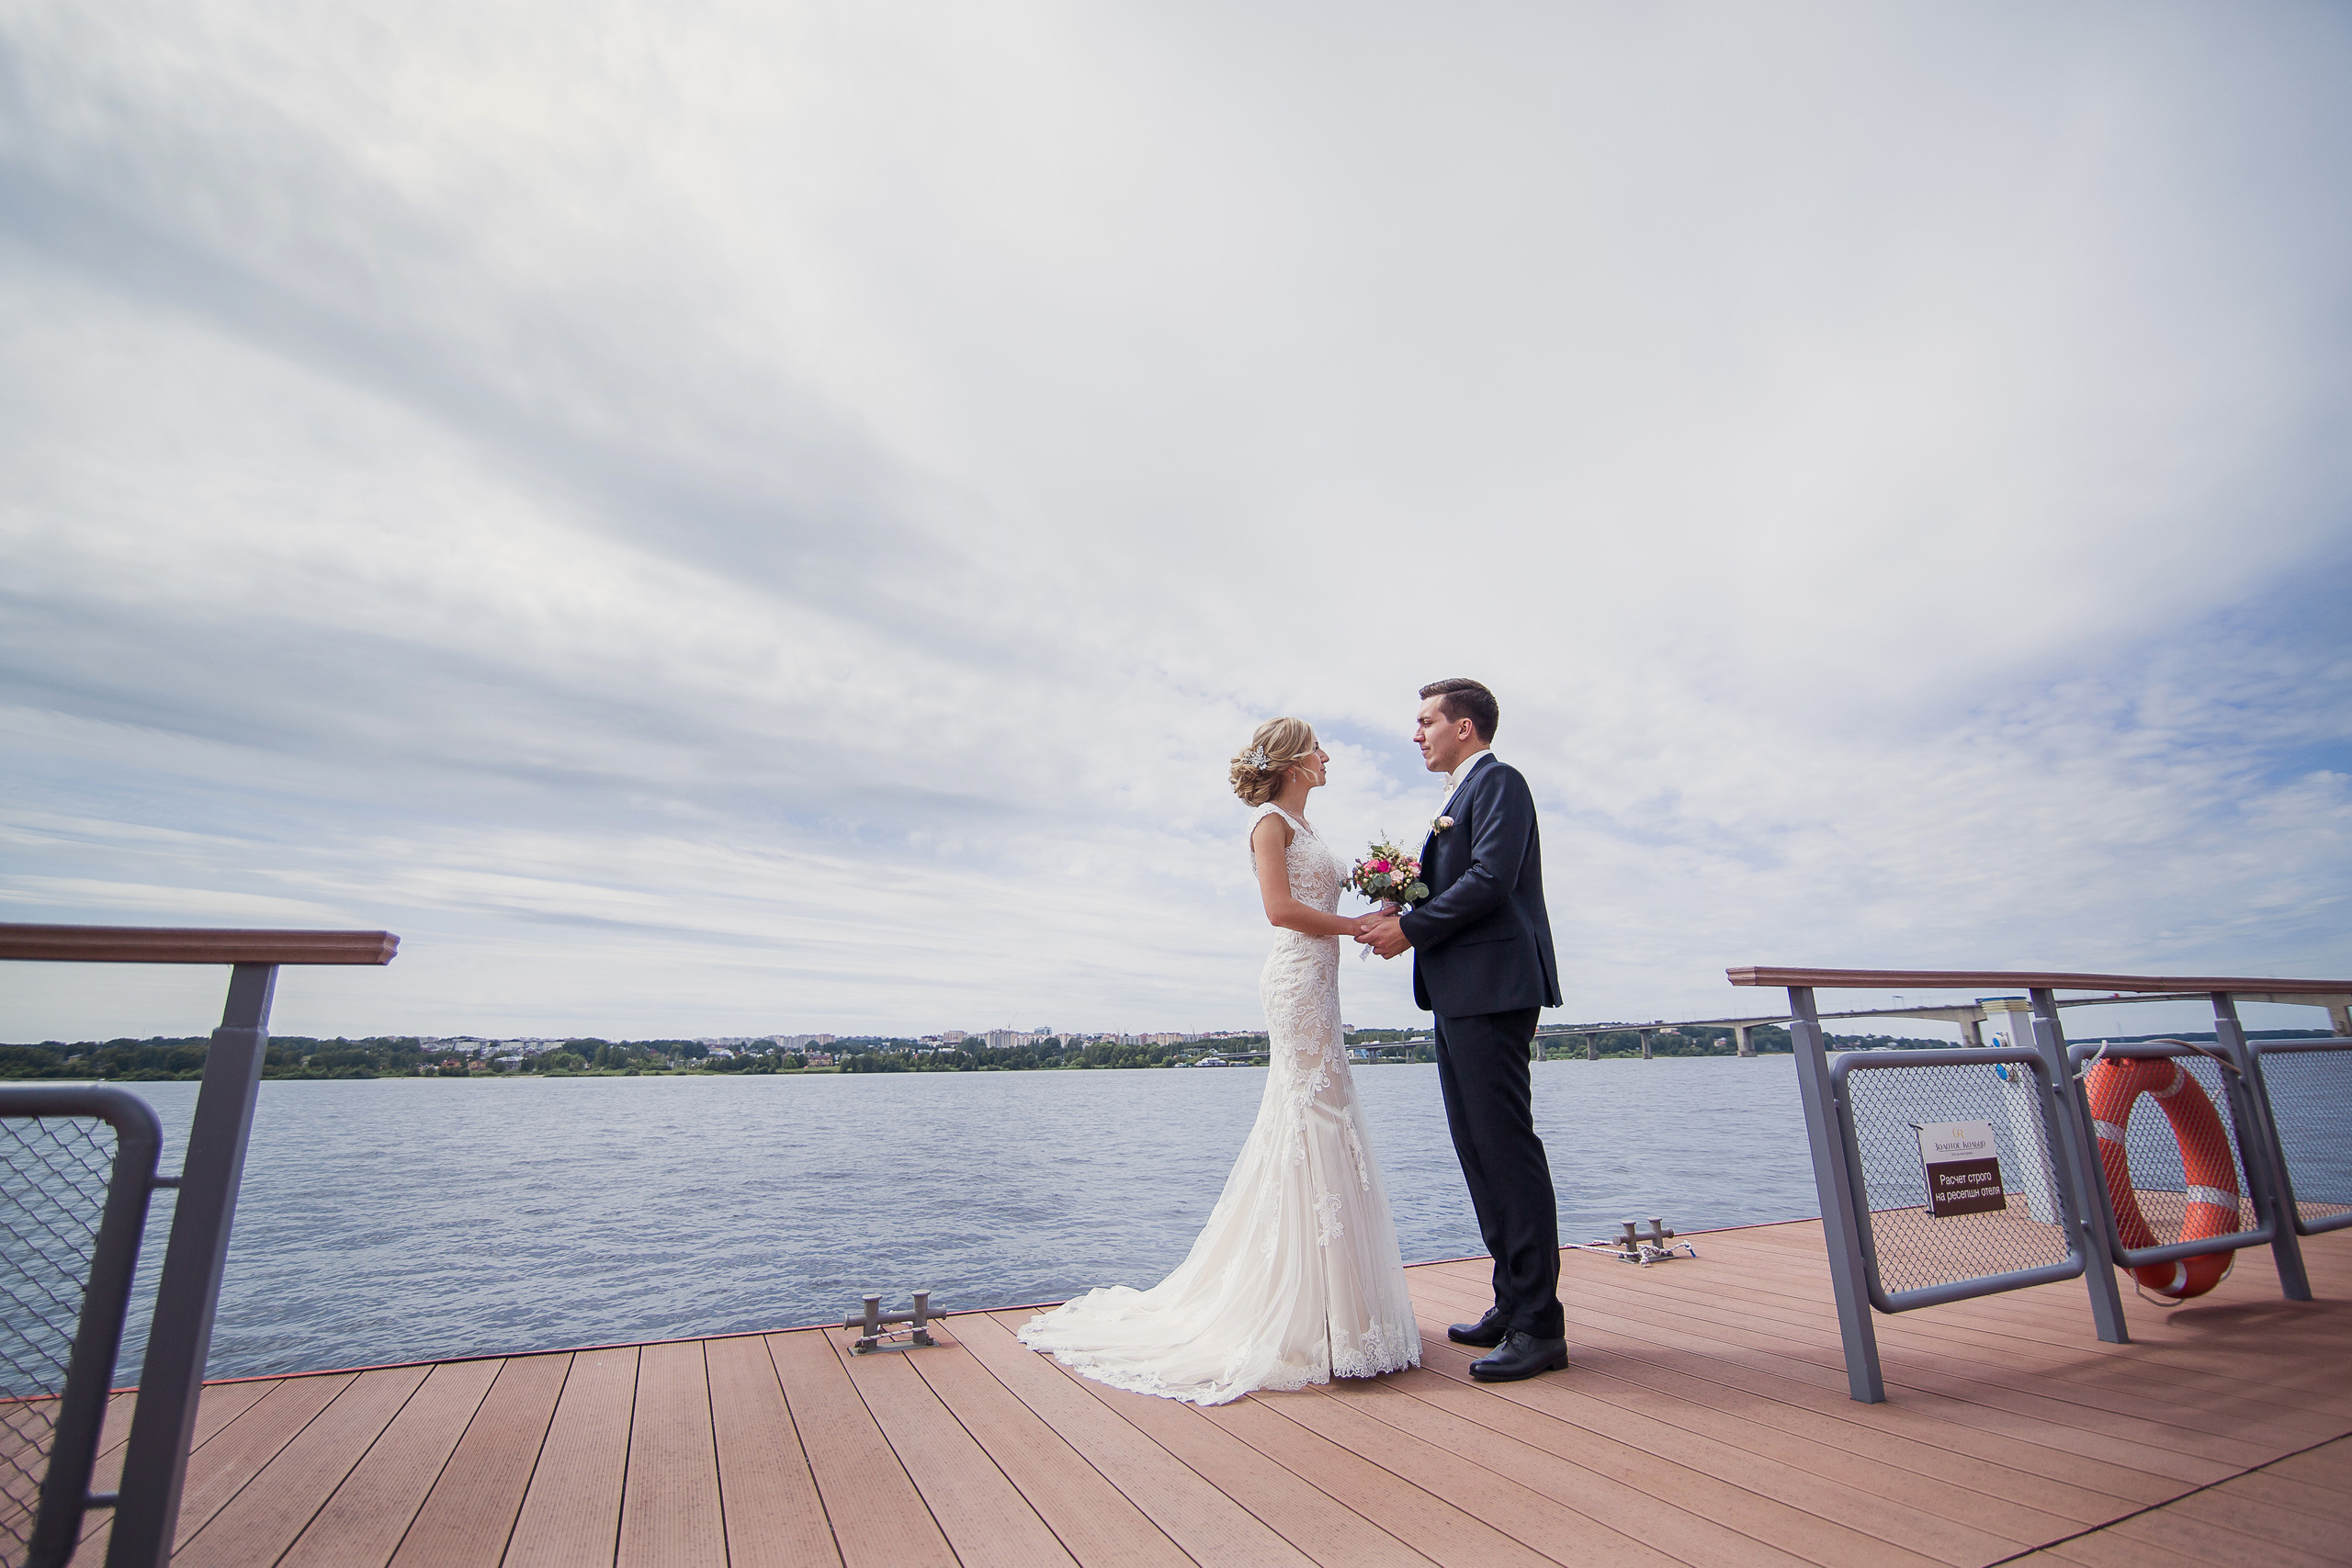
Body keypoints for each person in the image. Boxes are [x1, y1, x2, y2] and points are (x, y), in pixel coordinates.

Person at [1018, 717, 1419, 1404]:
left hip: (1322, 984)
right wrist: (1360, 926)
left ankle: (1340, 1314)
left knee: (1331, 1117)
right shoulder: (1270, 824)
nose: (1328, 757)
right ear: (1294, 762)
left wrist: (1391, 892)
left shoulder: (1311, 829)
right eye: (1318, 749)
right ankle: (1308, 1316)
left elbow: (1323, 889)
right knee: (1312, 1118)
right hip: (1295, 982)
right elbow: (1279, 908)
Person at [1358, 678, 1566, 1382]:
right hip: (1460, 992)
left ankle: (1541, 1325)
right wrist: (1404, 897)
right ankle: (1511, 1304)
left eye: (1426, 721)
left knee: (1506, 1149)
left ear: (1466, 728)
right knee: (1477, 1148)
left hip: (1494, 989)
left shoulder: (1500, 783)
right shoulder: (1460, 794)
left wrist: (1409, 927)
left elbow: (1490, 879)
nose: (1417, 734)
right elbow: (1461, 878)